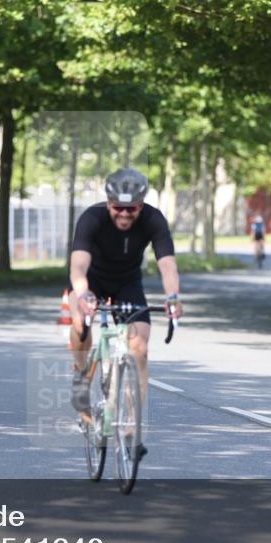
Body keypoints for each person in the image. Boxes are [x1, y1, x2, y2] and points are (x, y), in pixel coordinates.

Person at [68, 168, 184, 456]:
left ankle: (130, 429)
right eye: (118, 208)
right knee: (80, 322)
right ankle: (82, 372)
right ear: (108, 204)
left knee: (139, 348)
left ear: (140, 206)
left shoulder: (153, 220)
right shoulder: (91, 218)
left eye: (130, 209)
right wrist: (84, 294)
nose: (124, 214)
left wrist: (172, 297)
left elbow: (167, 264)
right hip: (90, 281)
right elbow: (78, 266)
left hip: (128, 283)